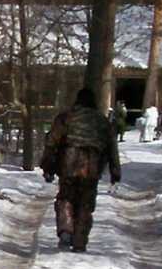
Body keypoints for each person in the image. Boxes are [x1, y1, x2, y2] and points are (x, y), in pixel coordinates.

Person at [39, 86, 121, 252]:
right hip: (92, 166)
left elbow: (52, 142)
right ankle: (79, 241)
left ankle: (66, 230)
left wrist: (47, 165)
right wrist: (115, 171)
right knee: (86, 203)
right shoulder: (101, 121)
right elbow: (112, 147)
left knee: (66, 197)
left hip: (68, 164)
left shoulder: (66, 117)